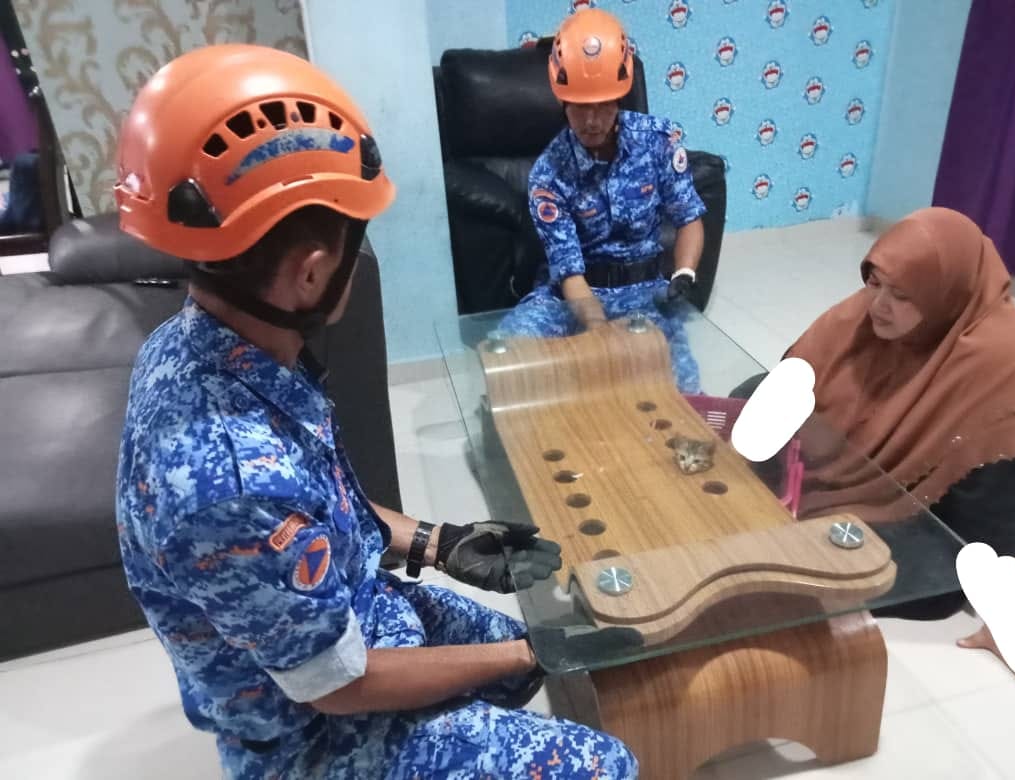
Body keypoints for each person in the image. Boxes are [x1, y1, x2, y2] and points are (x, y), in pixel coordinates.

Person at [114, 44, 640, 777]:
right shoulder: (232, 483)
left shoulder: (206, 341)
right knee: (602, 760)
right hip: (314, 735)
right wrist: (529, 649)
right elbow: (340, 684)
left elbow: (320, 508)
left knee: (518, 664)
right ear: (312, 272)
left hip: (354, 608)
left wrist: (438, 541)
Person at [785, 207, 1015, 695]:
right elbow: (795, 375)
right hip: (858, 466)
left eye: (901, 295)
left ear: (947, 296)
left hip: (928, 518)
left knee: (799, 572)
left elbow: (998, 527)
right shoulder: (868, 312)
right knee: (752, 400)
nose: (878, 304)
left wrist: (1010, 614)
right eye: (874, 282)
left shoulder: (1013, 369)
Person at [498, 8, 707, 393]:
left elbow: (689, 216)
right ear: (562, 100)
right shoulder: (549, 175)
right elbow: (570, 275)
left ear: (621, 94)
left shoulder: (657, 142)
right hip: (573, 295)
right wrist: (601, 335)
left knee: (682, 392)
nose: (592, 119)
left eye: (604, 104)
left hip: (645, 293)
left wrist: (685, 272)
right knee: (508, 356)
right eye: (580, 106)